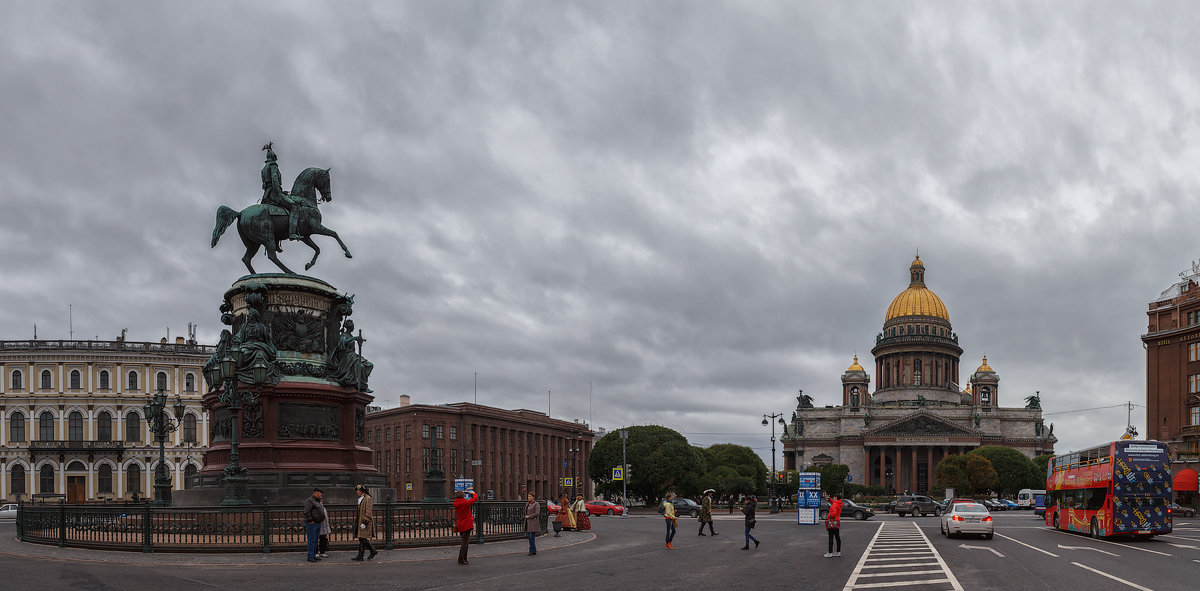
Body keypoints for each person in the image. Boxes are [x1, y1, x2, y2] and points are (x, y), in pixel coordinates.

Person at [453, 489, 479, 565]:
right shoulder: (465, 502)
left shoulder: (455, 503)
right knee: (465, 543)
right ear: (463, 496)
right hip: (467, 524)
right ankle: (461, 559)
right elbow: (475, 499)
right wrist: (474, 493)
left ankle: (464, 558)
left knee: (465, 542)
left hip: (460, 524)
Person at [352, 484, 377, 561]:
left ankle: (372, 550)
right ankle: (360, 556)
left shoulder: (368, 498)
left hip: (365, 522)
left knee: (363, 539)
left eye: (358, 490)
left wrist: (365, 522)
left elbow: (368, 511)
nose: (357, 492)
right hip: (360, 521)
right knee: (361, 539)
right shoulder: (362, 498)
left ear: (362, 491)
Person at [302, 488, 324, 563]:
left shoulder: (317, 501)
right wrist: (310, 520)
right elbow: (306, 511)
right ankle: (310, 556)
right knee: (311, 540)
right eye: (320, 493)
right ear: (316, 493)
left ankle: (314, 555)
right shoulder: (310, 500)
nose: (321, 495)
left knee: (315, 540)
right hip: (312, 523)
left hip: (318, 523)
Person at [317, 493, 331, 559]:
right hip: (318, 526)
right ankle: (316, 552)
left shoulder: (323, 508)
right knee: (315, 540)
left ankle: (322, 552)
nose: (321, 501)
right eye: (320, 500)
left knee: (323, 540)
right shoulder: (316, 507)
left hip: (324, 526)